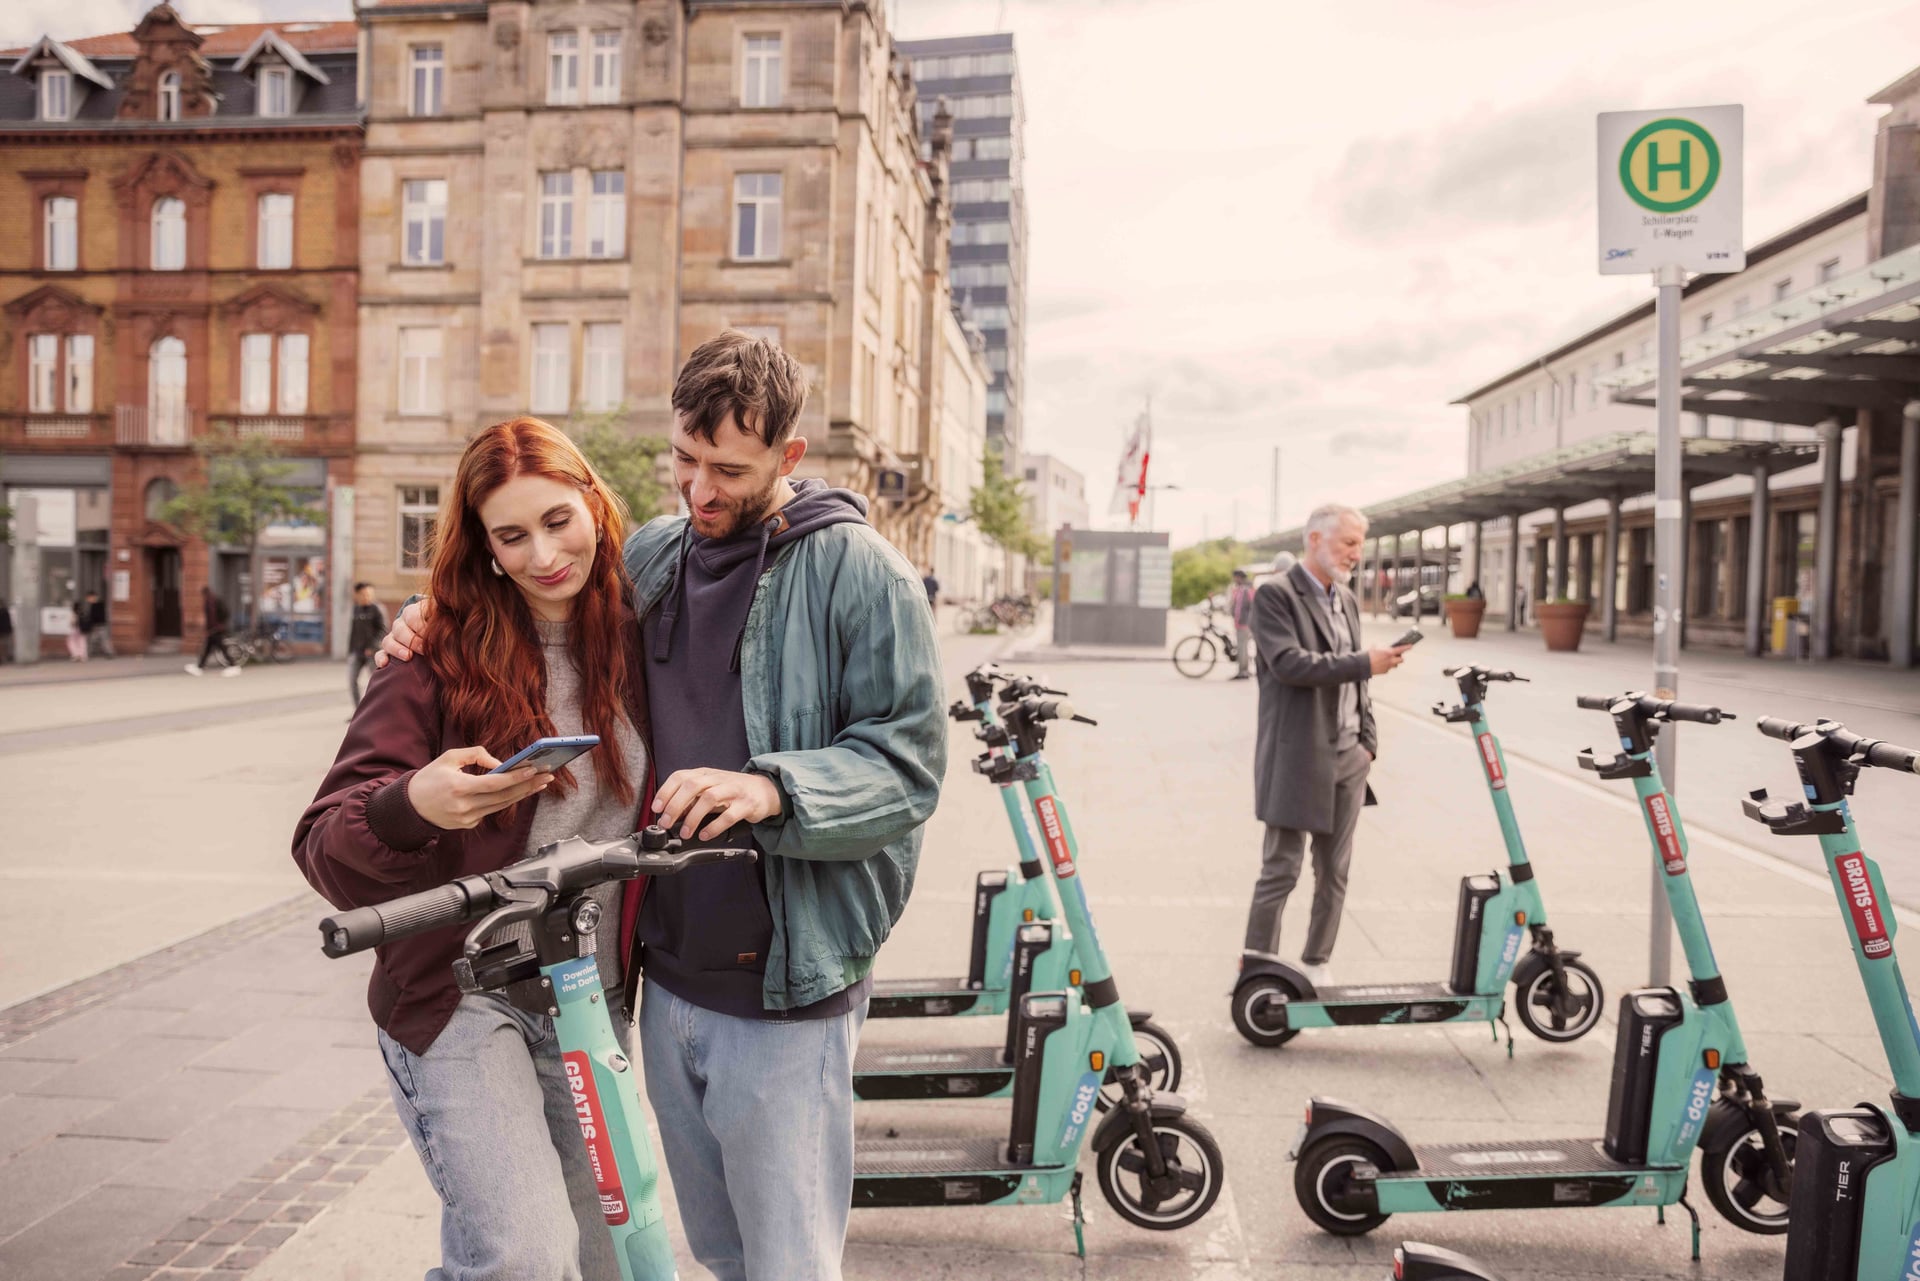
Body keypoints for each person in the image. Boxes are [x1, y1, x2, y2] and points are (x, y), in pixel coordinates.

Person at [378, 331, 946, 1281]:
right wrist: (427, 609)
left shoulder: (862, 572)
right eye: (685, 459)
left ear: (790, 458)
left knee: (787, 1263)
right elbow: (537, 590)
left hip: (786, 988)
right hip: (659, 982)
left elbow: (910, 767)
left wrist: (773, 785)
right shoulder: (651, 552)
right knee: (704, 1251)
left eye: (730, 469)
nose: (700, 490)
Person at [295, 417, 649, 1281]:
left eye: (558, 520)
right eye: (512, 535)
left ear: (595, 506)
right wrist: (415, 803)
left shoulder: (648, 638)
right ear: (485, 547)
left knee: (609, 1260)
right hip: (462, 996)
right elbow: (323, 840)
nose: (543, 555)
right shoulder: (436, 655)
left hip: (590, 997)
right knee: (524, 1259)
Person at [1243, 503, 1408, 987]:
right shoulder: (1275, 596)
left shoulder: (1348, 599)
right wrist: (1363, 662)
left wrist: (1369, 744)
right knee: (1281, 870)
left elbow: (1361, 685)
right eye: (1348, 542)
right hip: (1298, 758)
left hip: (1350, 756)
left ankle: (1316, 964)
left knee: (1334, 872)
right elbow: (1291, 664)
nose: (1357, 554)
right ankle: (1257, 971)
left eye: (1360, 543)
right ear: (1314, 540)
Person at [346, 582, 387, 708]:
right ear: (357, 595)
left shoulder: (377, 609)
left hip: (372, 653)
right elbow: (353, 631)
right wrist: (350, 650)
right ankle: (357, 711)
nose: (367, 597)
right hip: (356, 652)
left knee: (375, 683)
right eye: (364, 594)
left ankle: (375, 710)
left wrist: (372, 647)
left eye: (369, 594)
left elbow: (383, 630)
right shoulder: (356, 609)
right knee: (352, 681)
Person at [186, 586, 239, 677]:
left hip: (215, 629)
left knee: (220, 647)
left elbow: (211, 617)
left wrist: (210, 629)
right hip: (218, 628)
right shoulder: (215, 599)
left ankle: (233, 665)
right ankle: (200, 667)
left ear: (204, 594)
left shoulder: (209, 602)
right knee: (209, 648)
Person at [1227, 568, 1256, 680]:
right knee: (1242, 647)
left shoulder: (1247, 590)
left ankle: (1243, 671)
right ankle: (1243, 670)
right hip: (1239, 623)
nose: (1234, 579)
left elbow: (1252, 606)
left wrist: (1248, 621)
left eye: (1236, 577)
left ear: (1240, 577)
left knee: (1242, 648)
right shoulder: (1239, 589)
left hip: (1245, 624)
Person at [66, 594, 89, 662]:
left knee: (71, 642)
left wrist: (71, 623)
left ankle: (76, 655)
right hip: (82, 629)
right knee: (82, 642)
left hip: (75, 629)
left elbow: (72, 622)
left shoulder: (74, 613)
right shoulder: (83, 613)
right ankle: (83, 656)